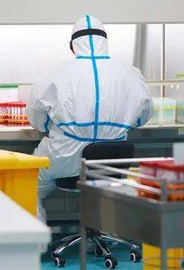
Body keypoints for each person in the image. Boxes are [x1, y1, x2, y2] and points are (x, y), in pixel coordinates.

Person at [26, 15, 152, 222]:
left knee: (30, 186)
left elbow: (37, 121)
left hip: (64, 157)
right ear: (105, 42)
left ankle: (37, 240)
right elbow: (142, 117)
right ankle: (107, 230)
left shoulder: (55, 74)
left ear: (72, 46)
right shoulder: (131, 73)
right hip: (112, 163)